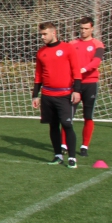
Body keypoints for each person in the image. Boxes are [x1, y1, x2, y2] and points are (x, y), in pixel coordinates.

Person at [33, 21, 81, 168]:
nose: (42, 37)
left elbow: (76, 70)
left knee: (67, 124)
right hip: (47, 95)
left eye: (45, 34)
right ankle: (58, 156)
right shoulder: (41, 52)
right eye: (41, 34)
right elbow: (38, 75)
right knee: (53, 126)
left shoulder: (67, 48)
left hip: (65, 94)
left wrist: (77, 90)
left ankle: (72, 158)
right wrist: (35, 95)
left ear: (54, 33)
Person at [72, 17, 104, 158]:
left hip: (90, 83)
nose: (83, 31)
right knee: (68, 116)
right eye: (81, 28)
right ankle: (64, 145)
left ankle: (84, 146)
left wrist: (83, 69)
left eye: (86, 28)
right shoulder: (72, 44)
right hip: (74, 83)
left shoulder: (97, 44)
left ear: (92, 29)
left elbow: (96, 61)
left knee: (88, 116)